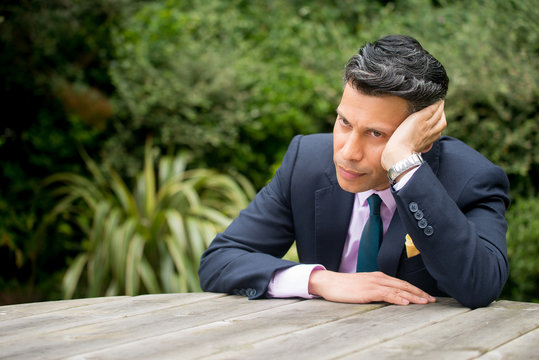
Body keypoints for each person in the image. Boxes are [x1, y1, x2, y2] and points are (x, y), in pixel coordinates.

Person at [198, 34, 510, 309]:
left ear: (422, 136)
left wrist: (404, 165)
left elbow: (481, 285)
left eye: (376, 133)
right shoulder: (305, 161)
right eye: (344, 123)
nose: (348, 153)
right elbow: (220, 261)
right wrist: (320, 281)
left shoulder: (472, 180)